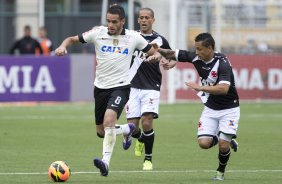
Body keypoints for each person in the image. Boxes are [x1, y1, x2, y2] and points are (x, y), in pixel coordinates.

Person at [55, 4, 161, 177]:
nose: (110, 25)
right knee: (101, 132)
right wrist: (62, 46)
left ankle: (105, 163)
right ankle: (127, 130)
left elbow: (153, 51)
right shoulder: (98, 33)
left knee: (109, 121)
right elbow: (71, 39)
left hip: (121, 86)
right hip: (100, 88)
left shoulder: (134, 37)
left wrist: (155, 56)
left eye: (114, 22)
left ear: (122, 22)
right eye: (108, 21)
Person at [154, 32, 240, 181]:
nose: (197, 52)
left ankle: (220, 171)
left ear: (210, 48)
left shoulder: (223, 63)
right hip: (211, 108)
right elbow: (173, 53)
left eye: (200, 49)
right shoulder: (195, 57)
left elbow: (223, 89)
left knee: (223, 147)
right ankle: (224, 136)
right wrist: (158, 50)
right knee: (204, 143)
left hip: (229, 109)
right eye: (196, 49)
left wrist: (200, 88)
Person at [126, 8, 172, 171]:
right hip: (131, 85)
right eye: (141, 18)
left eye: (147, 17)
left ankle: (148, 159)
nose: (143, 20)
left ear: (153, 20)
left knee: (147, 121)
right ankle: (140, 139)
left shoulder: (160, 40)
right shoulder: (132, 36)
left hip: (151, 85)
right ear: (138, 20)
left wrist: (169, 64)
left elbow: (172, 58)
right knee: (132, 128)